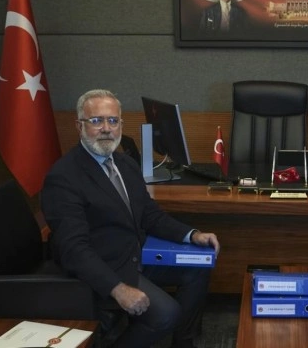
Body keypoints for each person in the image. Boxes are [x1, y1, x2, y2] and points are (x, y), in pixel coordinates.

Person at [42, 89, 220, 348]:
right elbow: (73, 249)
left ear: (121, 125)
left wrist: (192, 235)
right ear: (79, 126)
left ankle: (183, 344)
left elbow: (149, 214)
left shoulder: (125, 164)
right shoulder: (64, 177)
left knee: (198, 266)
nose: (106, 128)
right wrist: (117, 288)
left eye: (113, 121)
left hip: (133, 255)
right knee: (166, 314)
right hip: (104, 267)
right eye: (96, 121)